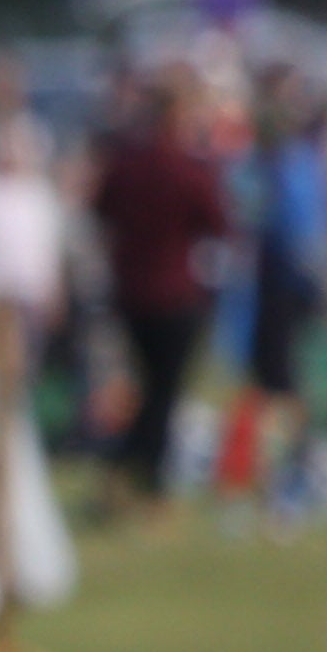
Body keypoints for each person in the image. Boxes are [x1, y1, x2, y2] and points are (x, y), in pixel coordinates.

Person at [88, 69, 230, 513]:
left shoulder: (125, 161)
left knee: (150, 387)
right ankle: (141, 477)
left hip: (131, 290)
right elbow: (219, 222)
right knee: (163, 392)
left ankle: (128, 473)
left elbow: (101, 209)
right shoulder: (188, 168)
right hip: (175, 292)